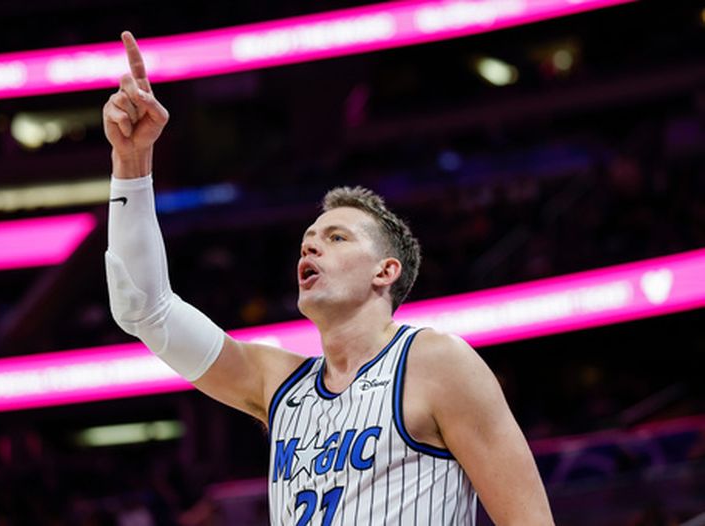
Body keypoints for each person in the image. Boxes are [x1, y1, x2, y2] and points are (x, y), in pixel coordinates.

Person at [104, 31, 554, 525]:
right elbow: (145, 308)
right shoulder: (277, 384)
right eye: (308, 239)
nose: (311, 245)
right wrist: (132, 161)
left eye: (337, 238)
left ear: (386, 271)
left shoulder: (437, 362)